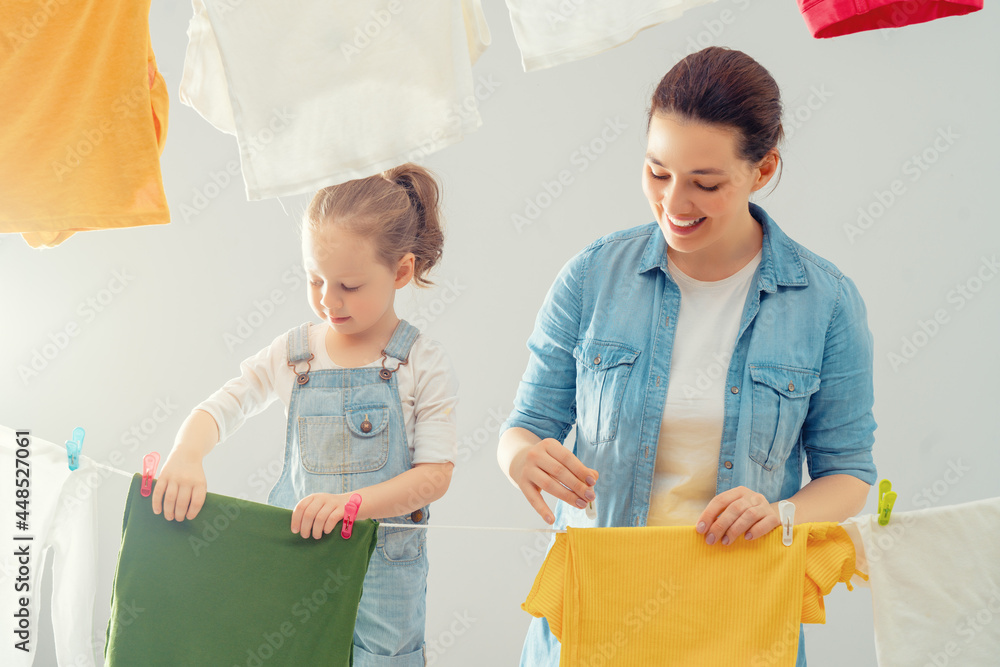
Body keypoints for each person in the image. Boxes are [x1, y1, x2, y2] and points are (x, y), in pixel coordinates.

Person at [497, 46, 877, 666]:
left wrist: (779, 511)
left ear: (763, 169)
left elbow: (850, 474)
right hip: (599, 605)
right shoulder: (592, 276)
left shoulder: (826, 301)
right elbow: (524, 429)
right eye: (657, 172)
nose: (675, 203)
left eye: (705, 183)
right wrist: (520, 459)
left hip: (741, 614)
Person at [152, 163, 459, 666]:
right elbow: (224, 405)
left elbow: (434, 478)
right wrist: (187, 453)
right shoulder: (295, 354)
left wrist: (353, 504)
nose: (327, 300)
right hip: (299, 561)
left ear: (401, 271)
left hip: (385, 569)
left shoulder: (421, 362)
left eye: (350, 285)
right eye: (314, 279)